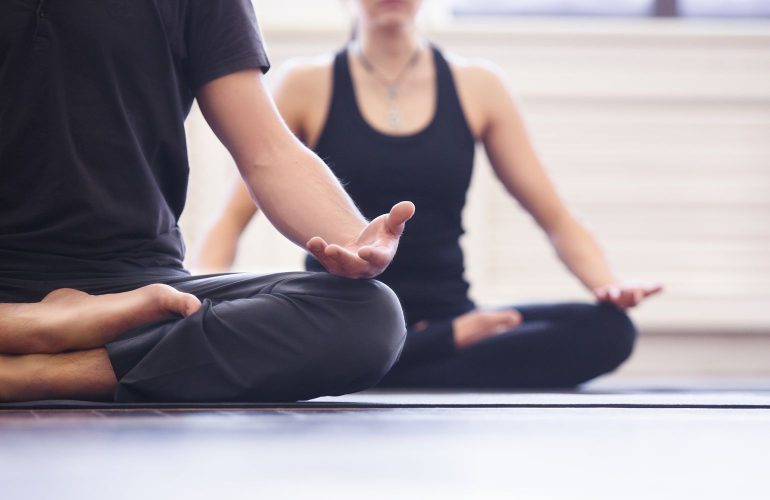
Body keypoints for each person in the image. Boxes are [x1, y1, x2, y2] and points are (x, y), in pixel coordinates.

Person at [194, 0, 663, 389]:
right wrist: (201, 317)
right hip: (347, 318)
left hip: (449, 312)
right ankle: (427, 352)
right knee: (339, 340)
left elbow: (555, 217)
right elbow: (231, 221)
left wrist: (607, 285)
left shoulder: (479, 86)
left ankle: (398, 363)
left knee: (609, 331)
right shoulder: (304, 84)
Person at [0, 0, 416, 403]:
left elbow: (267, 153)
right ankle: (33, 327)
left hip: (138, 295)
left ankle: (33, 373)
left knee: (367, 317)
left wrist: (352, 237)